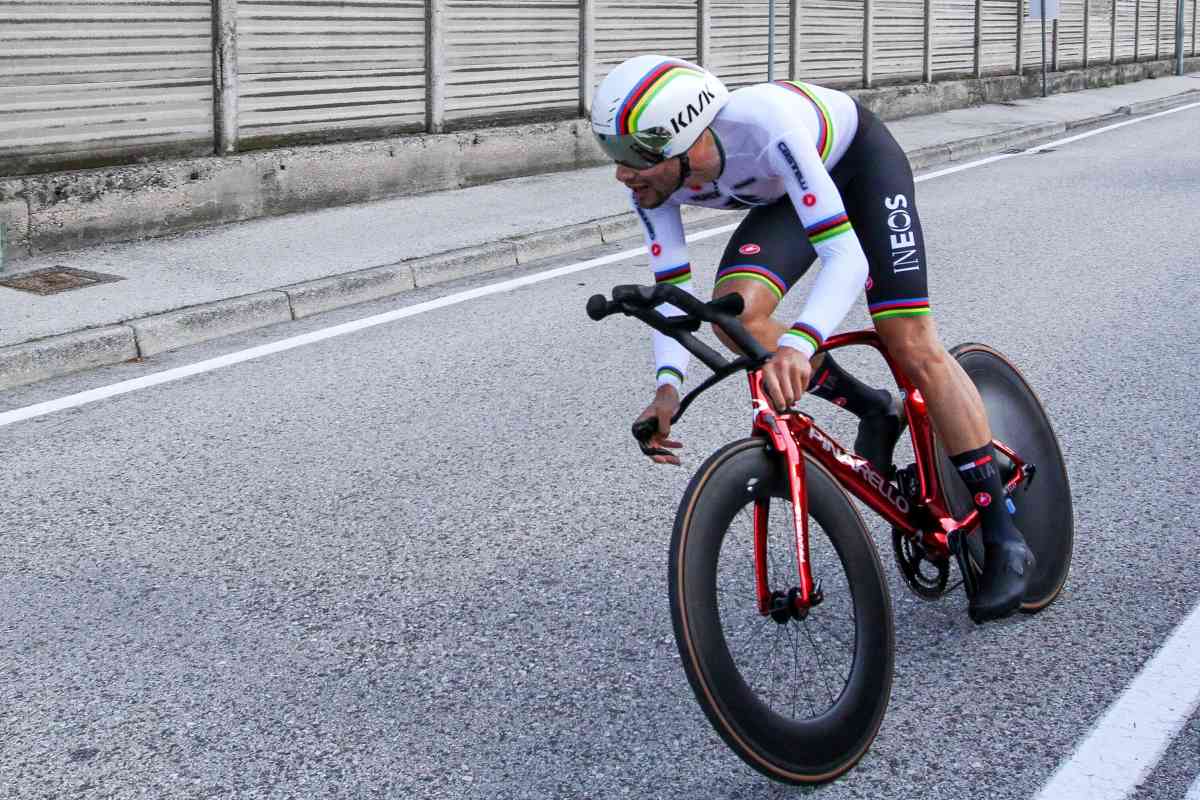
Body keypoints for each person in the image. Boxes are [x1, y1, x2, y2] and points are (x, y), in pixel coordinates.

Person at [590, 55, 1034, 623]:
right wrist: (667, 391)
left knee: (910, 341)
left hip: (858, 165)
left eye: (633, 157)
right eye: (612, 153)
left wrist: (800, 344)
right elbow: (675, 295)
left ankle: (1003, 533)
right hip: (791, 192)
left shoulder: (766, 127)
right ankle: (874, 408)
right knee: (737, 317)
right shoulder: (654, 183)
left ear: (685, 139)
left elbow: (844, 257)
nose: (621, 175)